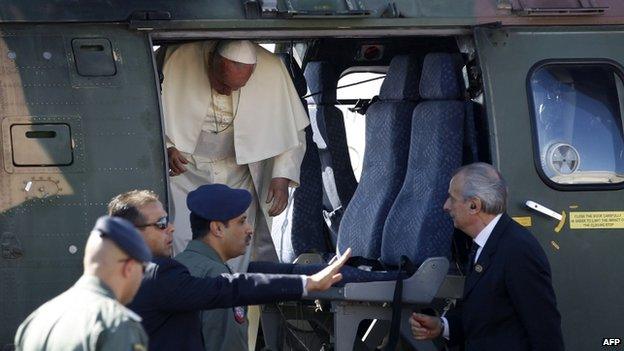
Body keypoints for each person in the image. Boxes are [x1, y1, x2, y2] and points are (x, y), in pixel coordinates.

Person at [107, 189, 351, 351]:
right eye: (160, 224)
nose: (170, 228)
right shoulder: (158, 274)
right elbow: (228, 289)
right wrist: (307, 283)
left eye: (167, 220)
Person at [162, 39, 309, 271]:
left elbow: (292, 131)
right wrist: (167, 146)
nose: (228, 91)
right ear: (212, 61)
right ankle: (188, 293)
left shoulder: (271, 69)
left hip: (239, 170)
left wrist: (281, 177)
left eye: (237, 88)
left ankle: (232, 298)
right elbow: (147, 113)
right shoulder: (177, 58)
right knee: (182, 237)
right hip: (184, 171)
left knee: (235, 240)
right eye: (222, 83)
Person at [409, 162, 564, 351]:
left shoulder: (518, 250)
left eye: (452, 198)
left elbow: (544, 329)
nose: (446, 206)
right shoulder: (485, 244)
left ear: (474, 205)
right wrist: (442, 327)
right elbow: (486, 317)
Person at [14, 216, 152, 351]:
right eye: (143, 269)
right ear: (129, 268)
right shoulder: (117, 324)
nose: (142, 276)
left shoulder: (35, 321)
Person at [175, 184, 257, 351]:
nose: (250, 229)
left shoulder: (178, 264)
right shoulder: (218, 276)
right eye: (242, 221)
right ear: (218, 228)